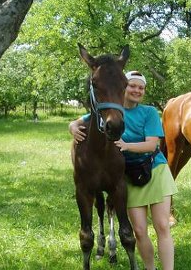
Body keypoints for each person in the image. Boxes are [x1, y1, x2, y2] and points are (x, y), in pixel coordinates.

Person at [69, 70, 178, 270]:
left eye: (141, 88)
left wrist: (126, 146)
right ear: (123, 88)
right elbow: (82, 120)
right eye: (132, 86)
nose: (137, 90)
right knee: (139, 230)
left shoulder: (149, 112)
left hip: (154, 170)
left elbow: (153, 145)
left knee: (162, 226)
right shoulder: (112, 110)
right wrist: (72, 126)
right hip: (129, 175)